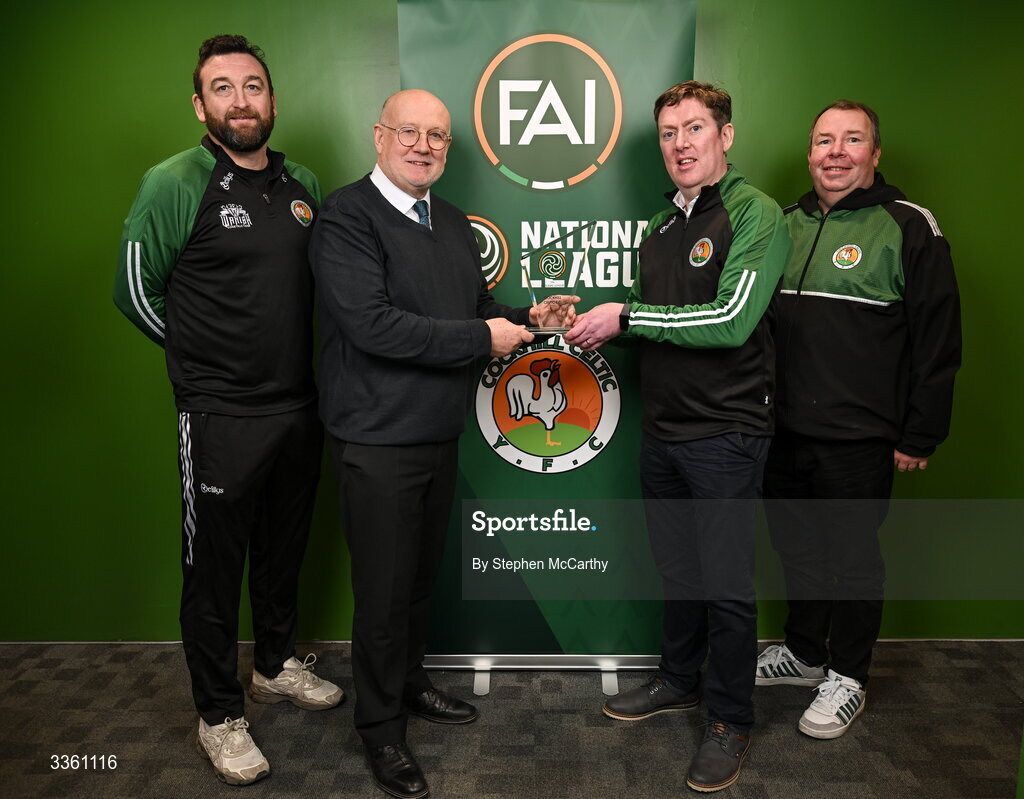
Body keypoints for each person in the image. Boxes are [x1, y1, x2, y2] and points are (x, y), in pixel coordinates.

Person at [310, 89, 576, 799]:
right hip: (376, 437)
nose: (423, 146)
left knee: (418, 580)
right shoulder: (346, 216)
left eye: (437, 136)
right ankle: (380, 728)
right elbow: (373, 325)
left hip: (436, 431)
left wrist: (528, 316)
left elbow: (475, 311)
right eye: (409, 132)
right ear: (379, 136)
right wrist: (482, 336)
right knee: (382, 592)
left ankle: (409, 683)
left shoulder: (452, 222)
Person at [113, 34, 342, 786]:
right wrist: (200, 363)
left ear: (272, 99)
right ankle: (217, 714)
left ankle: (273, 665)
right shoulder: (175, 181)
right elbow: (135, 289)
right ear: (199, 104)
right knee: (213, 573)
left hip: (298, 407)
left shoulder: (302, 184)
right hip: (218, 414)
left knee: (283, 550)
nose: (240, 101)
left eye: (252, 86)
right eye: (222, 88)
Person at [566, 81, 791, 792]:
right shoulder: (663, 227)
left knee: (726, 584)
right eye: (668, 133)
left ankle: (730, 719)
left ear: (726, 135)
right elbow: (656, 322)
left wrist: (627, 317)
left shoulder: (755, 213)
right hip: (663, 432)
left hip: (726, 432)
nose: (681, 144)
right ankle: (678, 679)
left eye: (695, 128)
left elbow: (730, 320)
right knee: (678, 570)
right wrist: (592, 325)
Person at [755, 101, 961, 739]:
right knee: (796, 548)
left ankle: (848, 674)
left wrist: (921, 432)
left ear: (875, 154)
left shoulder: (909, 225)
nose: (836, 152)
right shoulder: (782, 223)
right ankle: (804, 651)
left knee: (851, 559)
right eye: (825, 140)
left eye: (852, 140)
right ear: (810, 153)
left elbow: (938, 339)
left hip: (860, 436)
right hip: (782, 431)